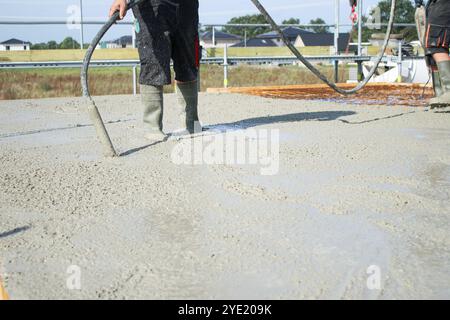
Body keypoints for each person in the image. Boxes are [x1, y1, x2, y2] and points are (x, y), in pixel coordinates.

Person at [109, 0, 201, 140]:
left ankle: (192, 123)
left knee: (188, 62)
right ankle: (153, 128)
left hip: (186, 4)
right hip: (151, 5)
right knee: (153, 61)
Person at [420, 0, 450, 110]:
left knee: (436, 45)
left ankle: (448, 92)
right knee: (431, 50)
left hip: (443, 5)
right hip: (437, 5)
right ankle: (441, 94)